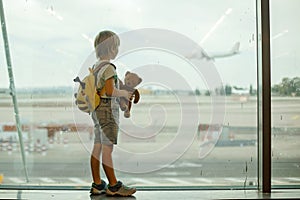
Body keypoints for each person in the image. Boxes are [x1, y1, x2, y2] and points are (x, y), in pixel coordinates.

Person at [89, 30, 136, 196]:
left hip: (97, 112)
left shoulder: (96, 67)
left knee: (97, 147)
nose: (117, 51)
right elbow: (109, 91)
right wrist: (123, 94)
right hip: (107, 114)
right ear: (110, 49)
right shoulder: (109, 68)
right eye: (116, 47)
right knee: (107, 150)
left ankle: (97, 184)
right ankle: (114, 186)